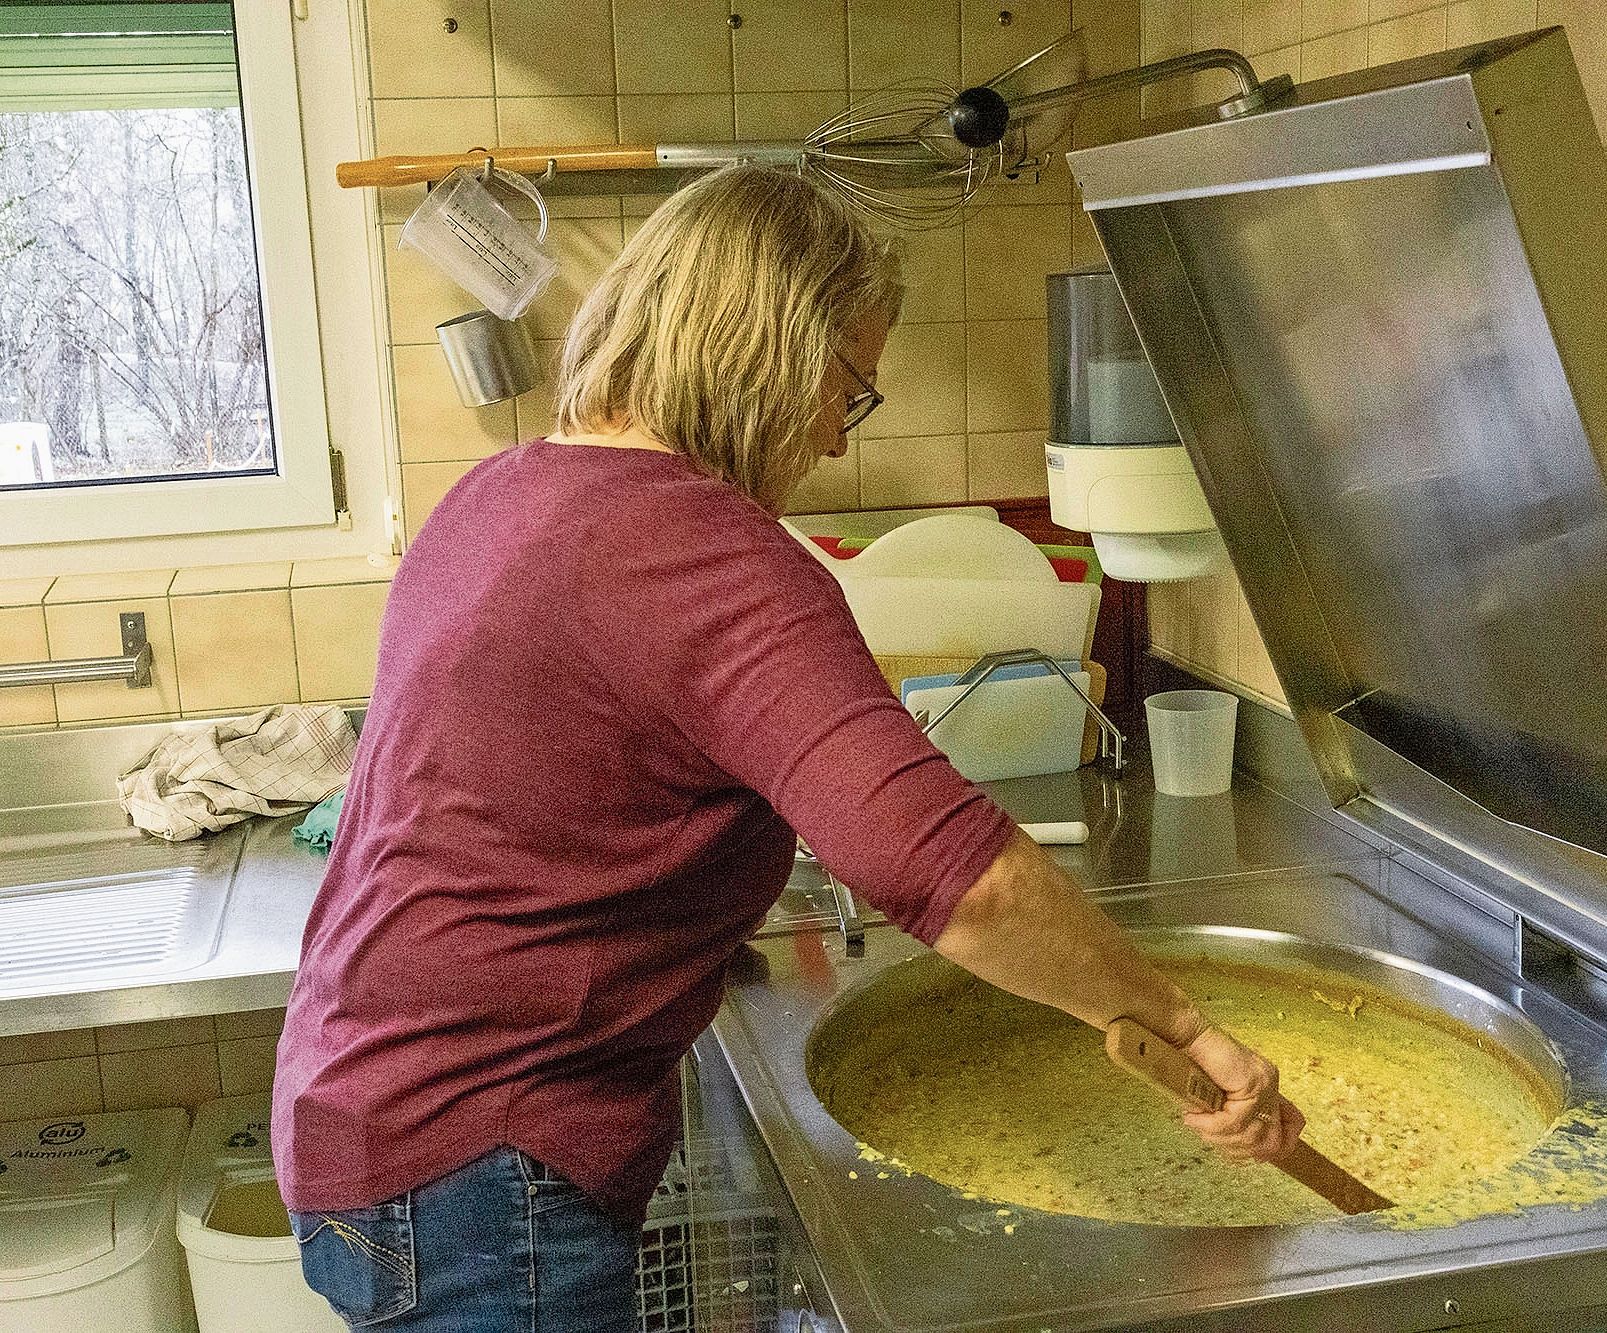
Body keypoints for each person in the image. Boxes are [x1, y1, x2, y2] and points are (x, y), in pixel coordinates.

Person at [272, 163, 1305, 1332]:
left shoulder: (506, 489)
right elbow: (953, 875)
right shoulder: (693, 547)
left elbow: (568, 797)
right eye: (846, 388)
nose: (827, 437)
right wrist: (1183, 1026)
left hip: (361, 1106)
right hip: (477, 1163)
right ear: (773, 351)